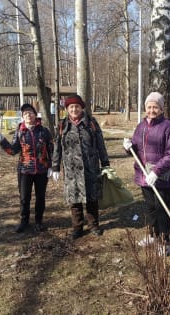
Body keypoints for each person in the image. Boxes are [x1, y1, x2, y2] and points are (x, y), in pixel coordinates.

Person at [123, 92, 170, 254]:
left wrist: (156, 171)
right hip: (143, 175)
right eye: (149, 107)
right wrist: (128, 147)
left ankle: (164, 242)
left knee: (162, 209)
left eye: (155, 107)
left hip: (161, 177)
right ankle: (153, 236)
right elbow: (135, 149)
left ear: (161, 109)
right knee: (150, 207)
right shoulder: (140, 127)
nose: (151, 110)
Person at [51, 94, 110, 240]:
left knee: (92, 198)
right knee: (74, 200)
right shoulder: (62, 125)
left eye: (76, 106)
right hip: (71, 171)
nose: (74, 109)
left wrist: (105, 163)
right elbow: (57, 147)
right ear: (67, 109)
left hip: (91, 168)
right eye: (71, 107)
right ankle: (77, 227)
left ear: (81, 107)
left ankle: (94, 225)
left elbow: (100, 144)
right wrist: (55, 167)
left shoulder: (91, 123)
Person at [0, 103, 54, 233]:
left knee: (40, 197)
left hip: (41, 169)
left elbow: (51, 149)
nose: (28, 115)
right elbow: (13, 150)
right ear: (23, 117)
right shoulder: (20, 131)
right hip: (24, 170)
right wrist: (2, 141)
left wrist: (51, 166)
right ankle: (24, 221)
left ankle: (39, 221)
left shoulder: (44, 131)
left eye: (30, 112)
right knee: (24, 197)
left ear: (35, 114)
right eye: (25, 113)